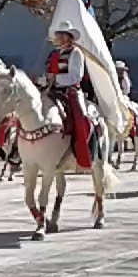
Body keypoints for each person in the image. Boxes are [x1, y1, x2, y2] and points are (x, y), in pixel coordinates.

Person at [45, 21, 91, 169]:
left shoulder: (76, 53)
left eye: (60, 34)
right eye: (57, 34)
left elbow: (76, 76)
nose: (57, 37)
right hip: (52, 89)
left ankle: (83, 149)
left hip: (70, 90)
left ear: (68, 36)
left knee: (79, 117)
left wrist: (55, 79)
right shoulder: (55, 54)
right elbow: (49, 73)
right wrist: (42, 80)